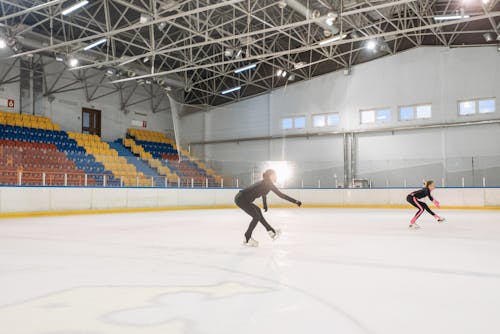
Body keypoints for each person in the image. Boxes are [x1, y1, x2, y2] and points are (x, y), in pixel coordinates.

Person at [235, 169, 302, 247]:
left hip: (244, 199)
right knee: (256, 217)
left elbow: (263, 193)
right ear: (270, 176)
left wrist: (265, 205)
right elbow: (281, 195)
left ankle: (271, 231)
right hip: (241, 199)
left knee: (258, 211)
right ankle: (247, 238)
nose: (276, 176)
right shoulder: (267, 184)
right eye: (275, 175)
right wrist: (295, 201)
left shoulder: (266, 183)